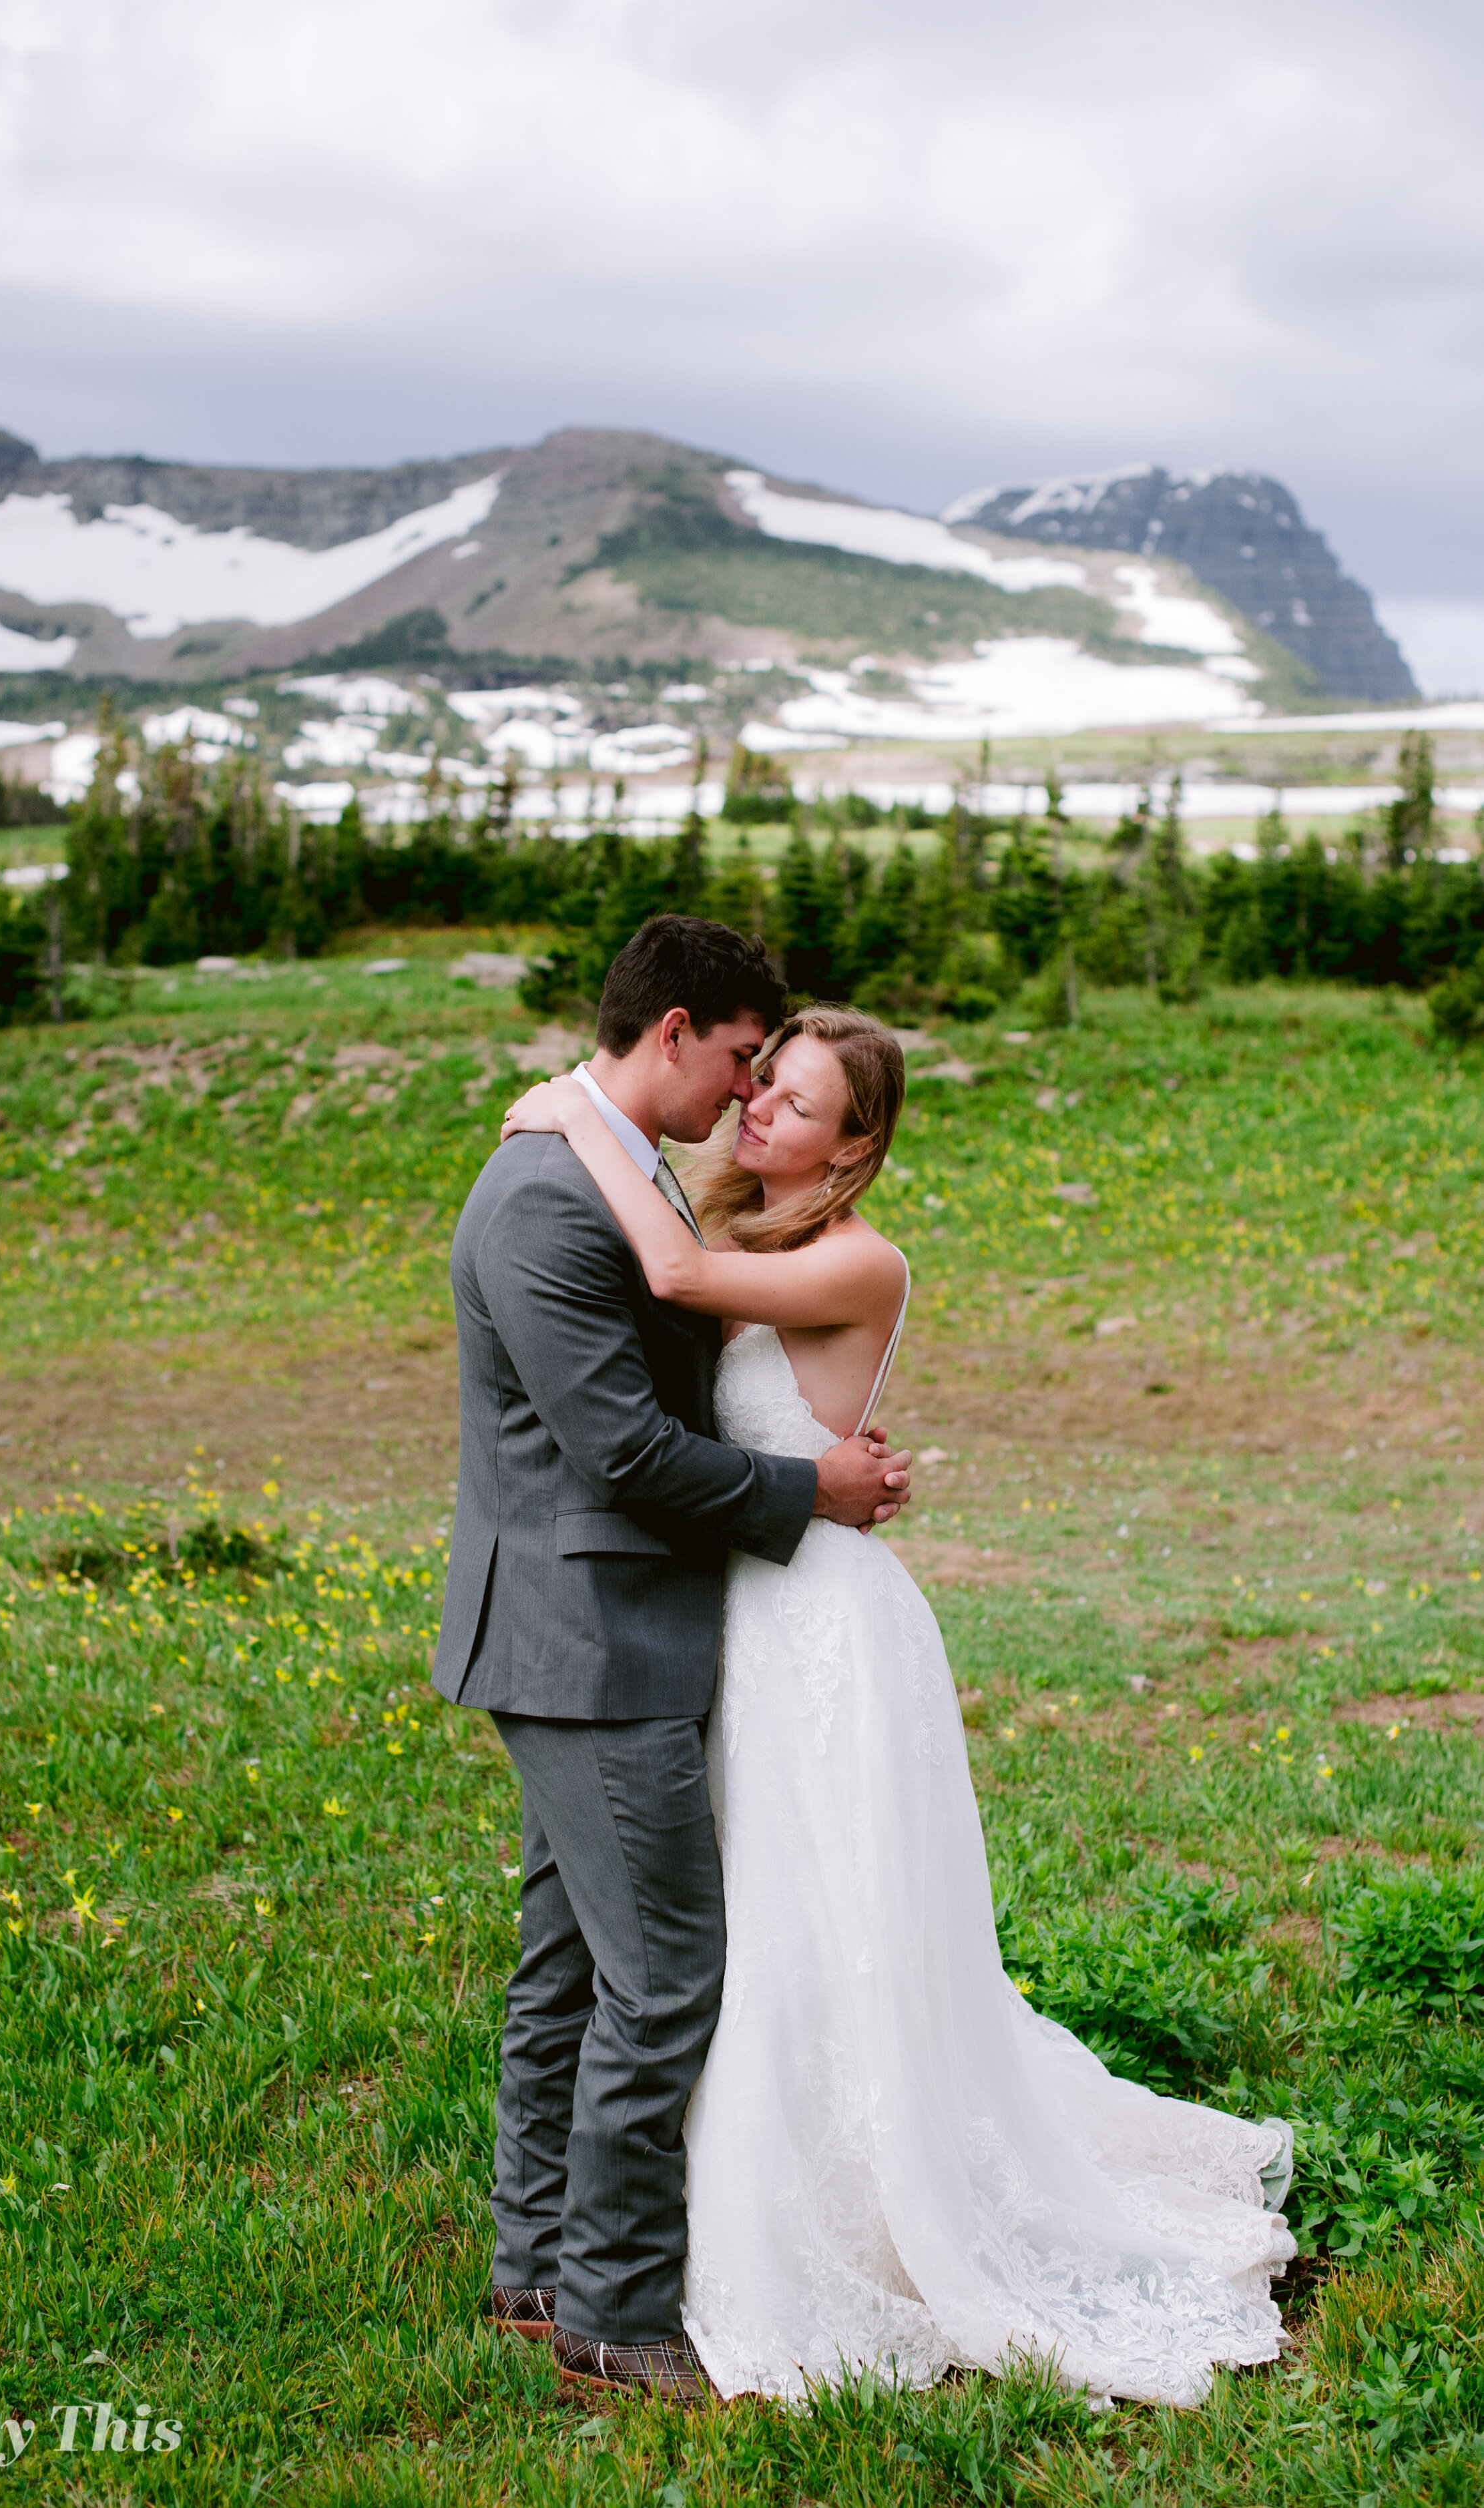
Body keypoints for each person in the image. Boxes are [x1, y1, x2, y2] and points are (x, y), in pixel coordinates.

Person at [500, 1001, 1296, 2410]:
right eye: (761, 1089)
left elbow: (670, 1275)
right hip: (730, 1611)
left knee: (818, 1929)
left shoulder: (859, 1256)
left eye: (796, 1105)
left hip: (813, 1622)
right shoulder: (753, 1231)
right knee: (738, 1921)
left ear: (854, 1143)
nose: (759, 1114)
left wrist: (575, 1112)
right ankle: (645, 2223)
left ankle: (836, 2220)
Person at [433, 919, 914, 2404]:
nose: (742, 1088)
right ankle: (616, 2312)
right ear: (673, 1033)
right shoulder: (548, 1204)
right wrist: (808, 1491)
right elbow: (628, 1452)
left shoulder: (613, 1165)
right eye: (736, 1058)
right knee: (660, 1981)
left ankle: (537, 2267)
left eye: (777, 1079)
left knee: (571, 1961)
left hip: (611, 1628)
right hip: (593, 1639)